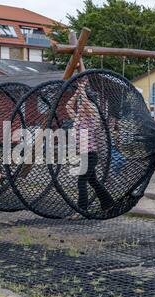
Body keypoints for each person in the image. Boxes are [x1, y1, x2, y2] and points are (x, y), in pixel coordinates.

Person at [66, 79, 115, 212]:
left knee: (81, 182)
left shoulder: (93, 118)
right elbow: (68, 106)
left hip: (90, 155)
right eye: (80, 106)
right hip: (84, 155)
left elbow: (87, 103)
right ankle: (108, 203)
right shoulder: (78, 120)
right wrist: (78, 92)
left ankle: (82, 210)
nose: (80, 107)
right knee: (93, 181)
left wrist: (83, 88)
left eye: (82, 106)